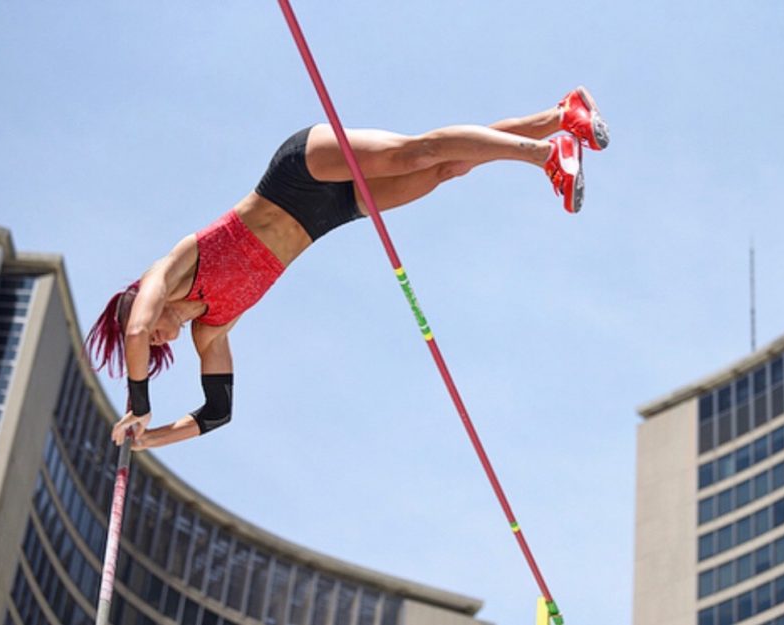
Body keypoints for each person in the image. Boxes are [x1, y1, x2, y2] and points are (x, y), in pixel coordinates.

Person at [86, 86, 609, 451]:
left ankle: (544, 156)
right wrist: (148, 439)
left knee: (414, 153)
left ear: (140, 302)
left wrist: (139, 404)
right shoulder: (212, 331)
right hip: (329, 214)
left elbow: (134, 329)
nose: (158, 339)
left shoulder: (171, 269)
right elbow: (217, 412)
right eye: (157, 346)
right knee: (444, 169)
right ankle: (561, 116)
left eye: (150, 333)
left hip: (299, 173)